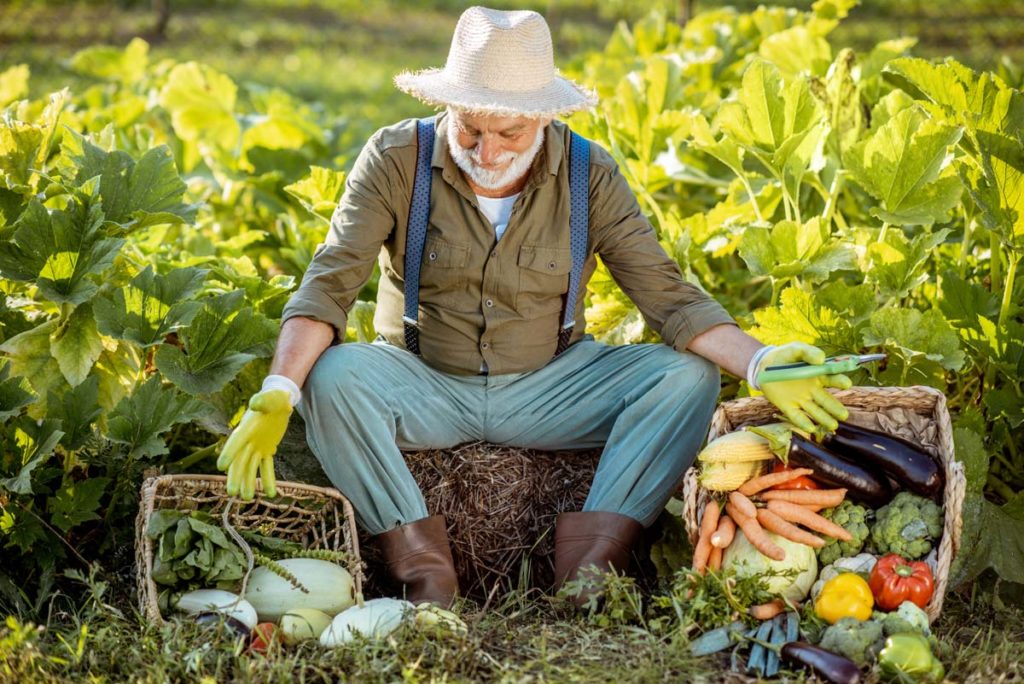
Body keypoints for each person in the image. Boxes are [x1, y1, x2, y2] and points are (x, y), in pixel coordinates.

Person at [215, 6, 852, 608]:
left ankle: (590, 576)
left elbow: (668, 297)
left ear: (544, 117)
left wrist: (763, 362)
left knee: (686, 376)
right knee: (333, 376)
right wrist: (278, 390)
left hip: (553, 386)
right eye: (470, 127)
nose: (487, 152)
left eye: (509, 132)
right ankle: (425, 577)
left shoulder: (589, 174)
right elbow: (328, 284)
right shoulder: (395, 158)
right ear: (448, 106)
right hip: (422, 382)